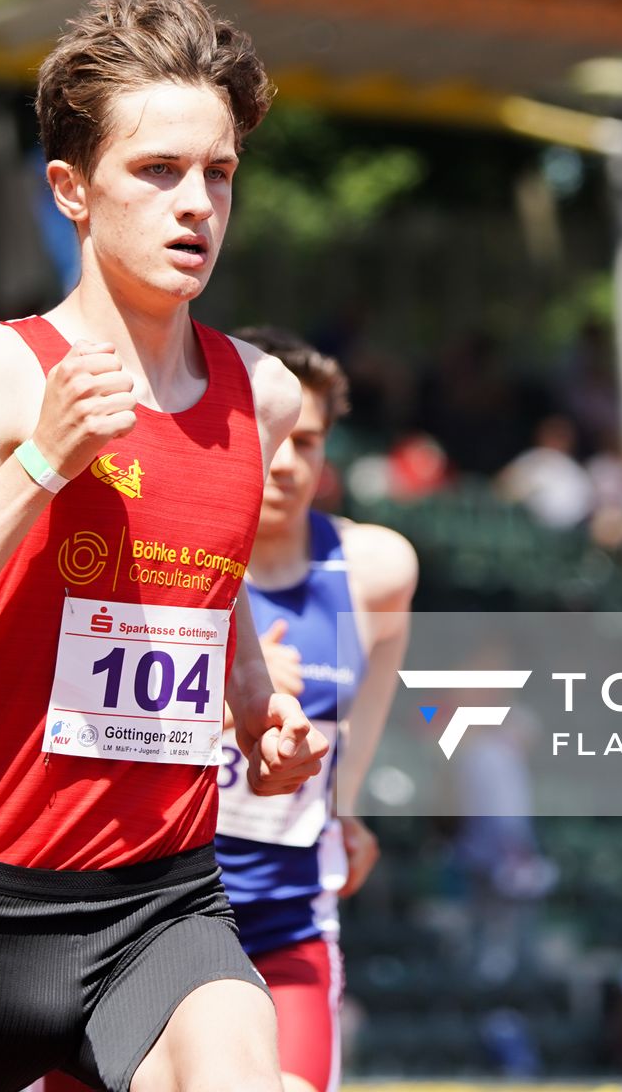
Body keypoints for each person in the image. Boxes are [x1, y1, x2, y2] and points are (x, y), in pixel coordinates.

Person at [0, 0, 326, 1092]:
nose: (196, 203)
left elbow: (208, 576)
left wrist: (257, 709)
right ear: (72, 190)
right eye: (157, 170)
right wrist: (43, 462)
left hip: (163, 900)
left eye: (219, 173)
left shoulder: (264, 395)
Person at [207, 328, 416, 1092]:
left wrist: (347, 808)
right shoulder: (167, 561)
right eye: (270, 440)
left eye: (310, 442)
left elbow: (362, 718)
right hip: (155, 912)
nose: (287, 464)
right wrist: (232, 696)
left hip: (289, 915)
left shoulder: (375, 571)